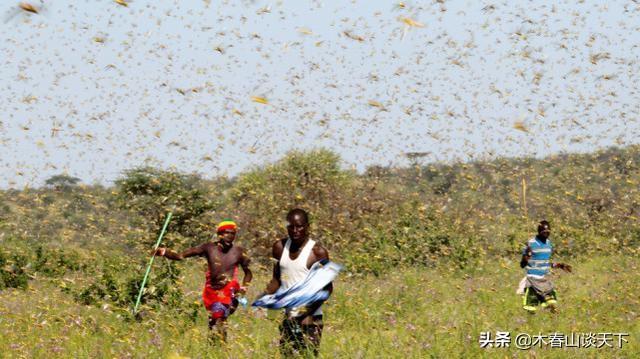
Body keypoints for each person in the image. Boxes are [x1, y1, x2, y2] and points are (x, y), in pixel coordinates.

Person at [155, 219, 252, 342]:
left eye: (233, 234)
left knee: (219, 317)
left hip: (229, 290)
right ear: (220, 234)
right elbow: (180, 256)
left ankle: (221, 348)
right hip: (211, 291)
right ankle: (213, 349)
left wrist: (244, 288)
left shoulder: (239, 252)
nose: (230, 236)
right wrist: (164, 252)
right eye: (227, 233)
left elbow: (248, 273)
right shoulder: (208, 248)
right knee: (213, 321)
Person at [262, 208, 332, 357]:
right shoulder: (279, 248)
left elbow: (328, 289)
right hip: (288, 319)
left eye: (299, 226)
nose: (295, 230)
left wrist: (306, 311)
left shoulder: (317, 253)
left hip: (310, 321)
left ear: (307, 226)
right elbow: (276, 280)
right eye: (291, 226)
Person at [519, 220, 572, 313]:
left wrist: (560, 265)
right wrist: (526, 257)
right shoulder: (530, 243)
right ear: (539, 232)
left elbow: (545, 263)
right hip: (533, 278)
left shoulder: (548, 244)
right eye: (544, 232)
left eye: (548, 232)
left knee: (551, 302)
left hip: (544, 278)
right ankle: (530, 322)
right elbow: (522, 265)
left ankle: (553, 319)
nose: (546, 234)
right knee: (531, 308)